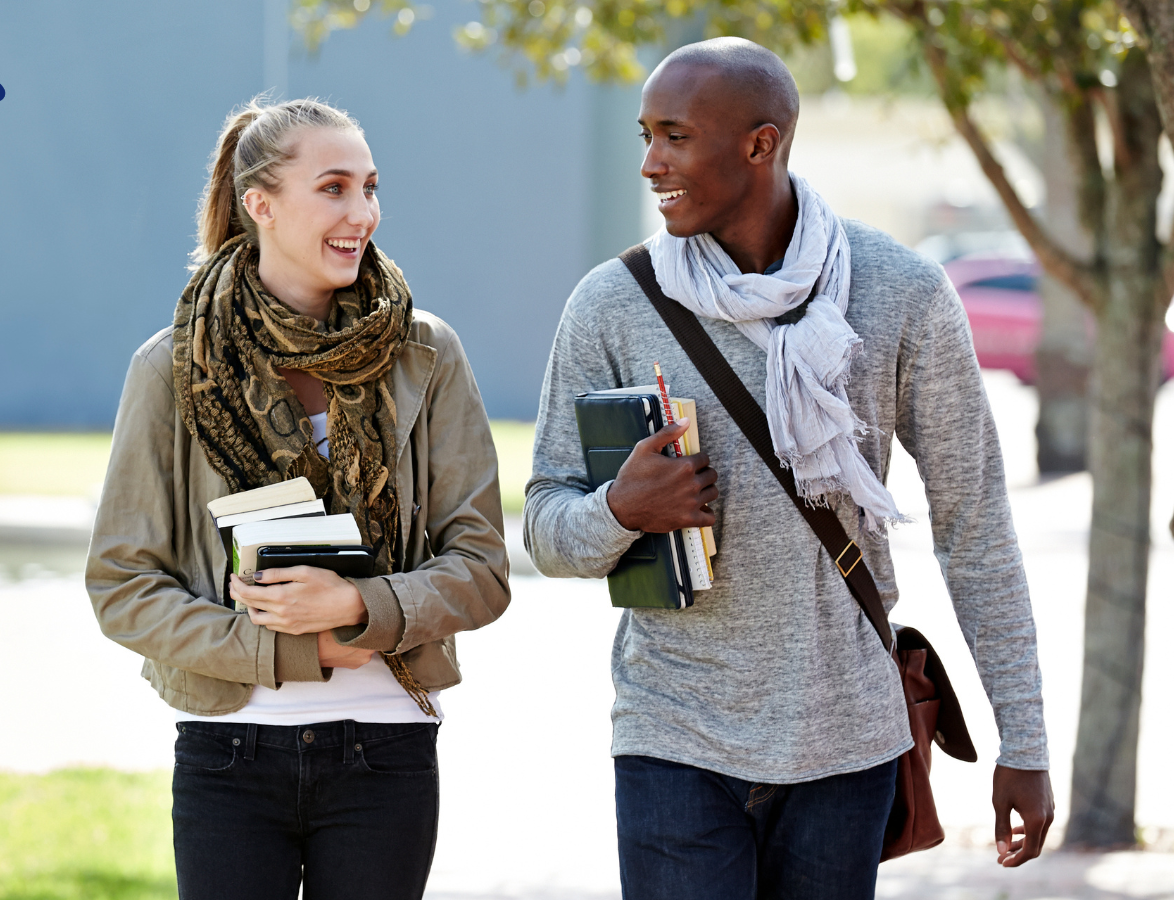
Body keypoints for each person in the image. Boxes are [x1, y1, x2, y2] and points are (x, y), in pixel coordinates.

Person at [524, 38, 1054, 899]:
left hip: (847, 741)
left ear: (759, 144)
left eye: (676, 137)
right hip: (674, 734)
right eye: (644, 136)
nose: (652, 163)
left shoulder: (899, 292)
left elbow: (977, 526)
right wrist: (620, 510)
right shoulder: (613, 303)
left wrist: (1023, 743)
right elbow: (546, 523)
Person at [86, 97, 510, 900]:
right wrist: (292, 650)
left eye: (371, 189)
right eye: (336, 189)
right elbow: (122, 588)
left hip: (385, 752)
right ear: (261, 205)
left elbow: (483, 569)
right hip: (229, 756)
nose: (363, 214)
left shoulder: (426, 354)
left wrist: (359, 603)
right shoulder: (170, 369)